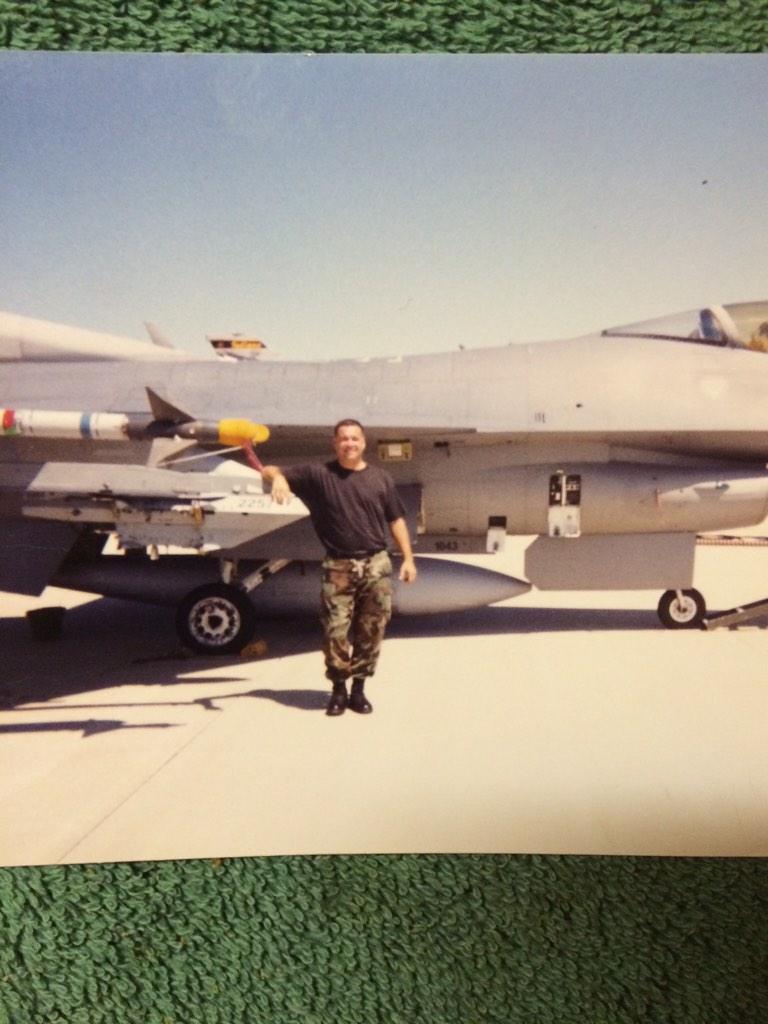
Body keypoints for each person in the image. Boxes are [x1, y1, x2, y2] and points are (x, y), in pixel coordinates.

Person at [260, 419, 417, 716]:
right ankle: (338, 690)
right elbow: (268, 469)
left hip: (376, 563)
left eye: (355, 438)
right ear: (335, 443)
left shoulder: (380, 479)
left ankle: (358, 690)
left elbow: (395, 520)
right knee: (335, 631)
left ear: (364, 443)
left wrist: (408, 559)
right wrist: (279, 478)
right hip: (338, 565)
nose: (349, 444)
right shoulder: (319, 475)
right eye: (344, 439)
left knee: (371, 631)